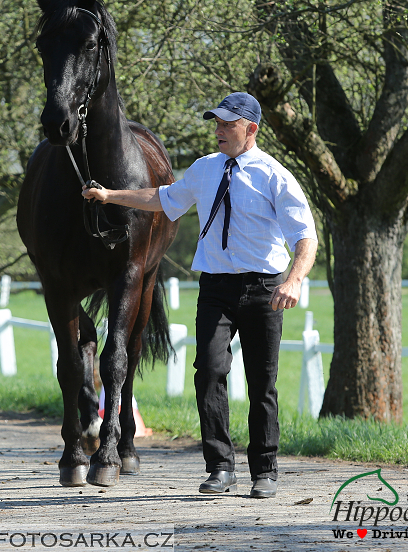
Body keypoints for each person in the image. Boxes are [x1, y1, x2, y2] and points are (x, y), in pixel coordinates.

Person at [82, 92, 317, 498]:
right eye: (217, 123)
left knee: (262, 384)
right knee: (208, 372)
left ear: (252, 129)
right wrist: (110, 196)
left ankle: (265, 470)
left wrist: (294, 279)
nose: (219, 130)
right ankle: (220, 467)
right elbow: (161, 198)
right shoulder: (206, 169)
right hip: (215, 288)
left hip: (262, 288)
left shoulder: (274, 175)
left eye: (228, 124)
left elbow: (305, 237)